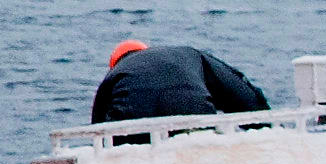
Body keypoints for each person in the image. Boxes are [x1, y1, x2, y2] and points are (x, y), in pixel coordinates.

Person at [92, 38, 269, 124]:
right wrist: (266, 127)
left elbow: (98, 129)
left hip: (134, 129)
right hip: (194, 114)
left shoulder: (116, 73)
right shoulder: (187, 54)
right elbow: (237, 90)